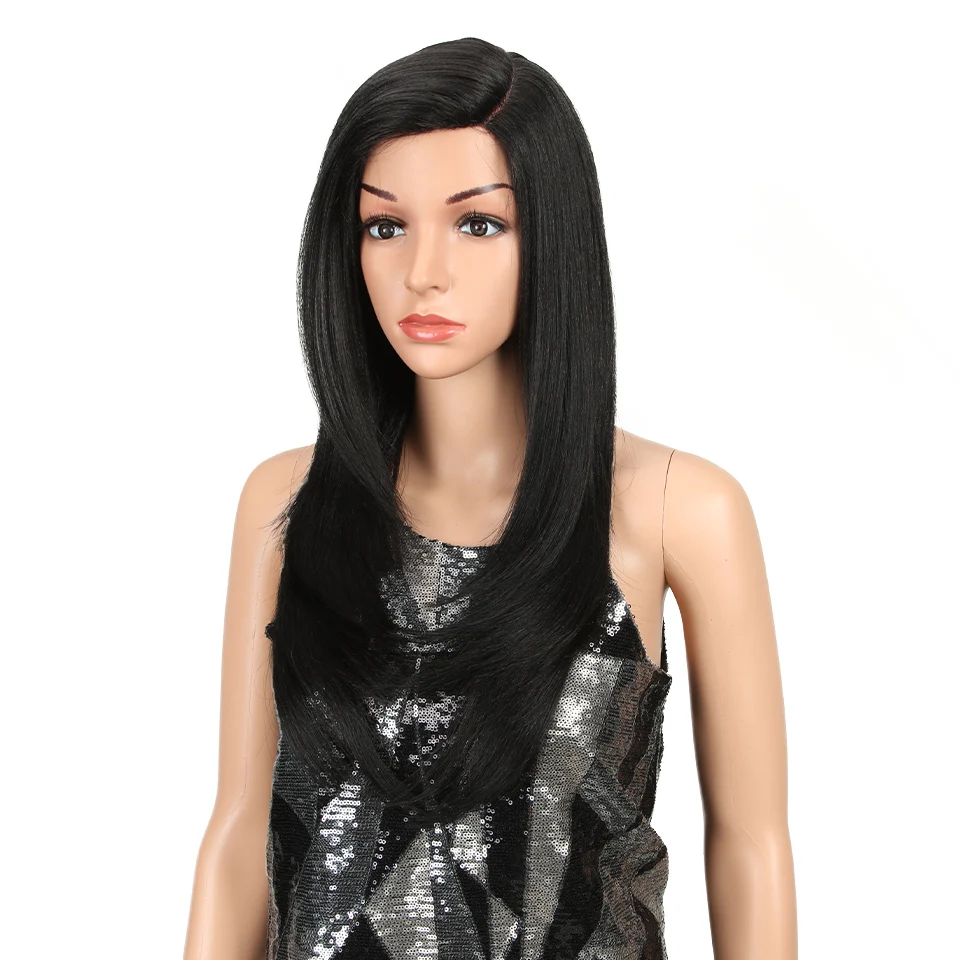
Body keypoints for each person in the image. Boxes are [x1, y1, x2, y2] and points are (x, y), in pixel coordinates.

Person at [183, 36, 797, 960]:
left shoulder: (679, 509)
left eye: (477, 224)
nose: (422, 270)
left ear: (552, 234)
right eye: (384, 226)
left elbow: (752, 842)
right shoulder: (286, 503)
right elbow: (239, 829)